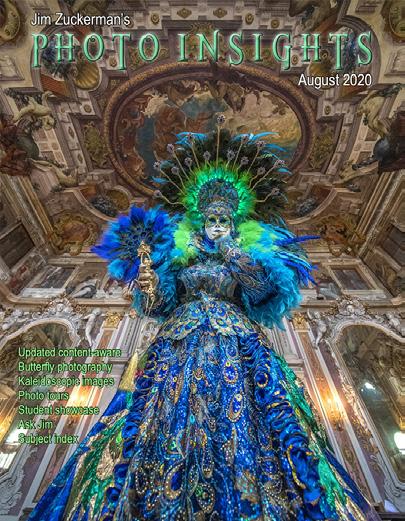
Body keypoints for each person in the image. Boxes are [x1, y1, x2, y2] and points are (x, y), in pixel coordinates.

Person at [29, 120, 379, 520]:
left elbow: (262, 294)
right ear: (200, 221)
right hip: (178, 341)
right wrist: (148, 284)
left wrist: (233, 253)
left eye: (223, 221)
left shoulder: (245, 256)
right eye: (211, 220)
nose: (216, 226)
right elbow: (160, 304)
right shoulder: (182, 260)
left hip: (236, 342)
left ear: (233, 223)